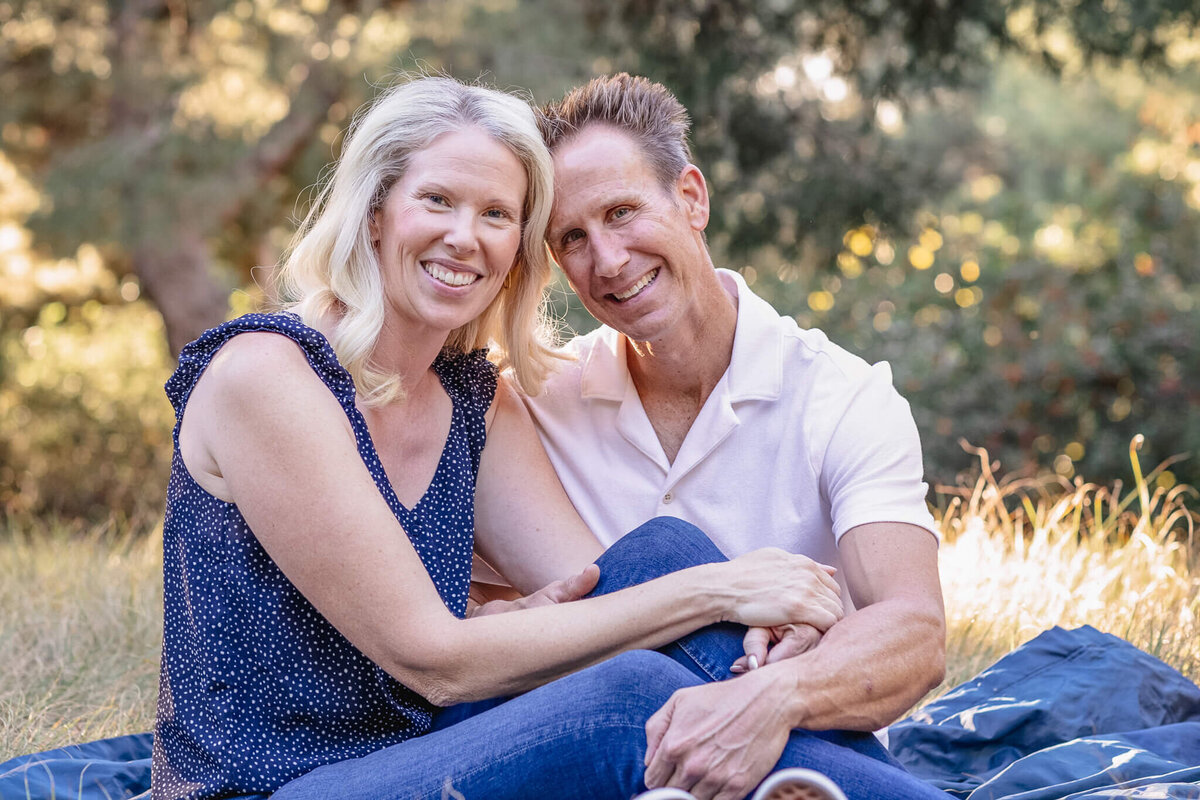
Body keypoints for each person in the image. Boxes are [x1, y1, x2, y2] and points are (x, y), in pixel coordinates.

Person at [147, 73, 929, 800]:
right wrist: (724, 588)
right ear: (377, 210)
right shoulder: (268, 374)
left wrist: (758, 658)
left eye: (496, 215)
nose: (466, 237)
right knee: (631, 691)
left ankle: (811, 783)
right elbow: (435, 660)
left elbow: (613, 593)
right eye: (438, 201)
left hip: (428, 747)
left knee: (661, 553)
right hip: (276, 784)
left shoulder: (474, 402)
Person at [522, 73, 948, 795]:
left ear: (691, 197)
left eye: (622, 212)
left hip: (792, 748)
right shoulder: (537, 405)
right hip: (611, 763)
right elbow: (476, 623)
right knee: (663, 562)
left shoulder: (841, 397)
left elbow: (912, 629)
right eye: (573, 238)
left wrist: (770, 699)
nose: (609, 260)